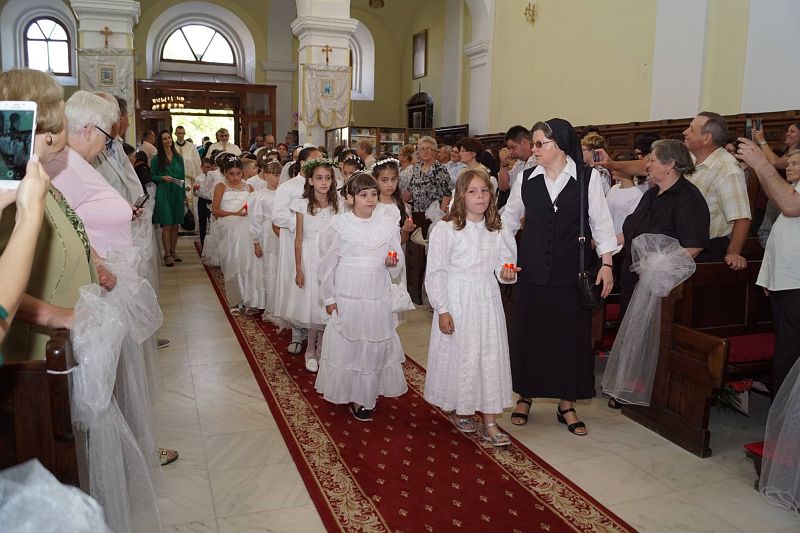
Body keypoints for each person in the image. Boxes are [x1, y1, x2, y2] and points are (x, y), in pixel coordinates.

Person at [501, 118, 616, 435]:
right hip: (532, 270)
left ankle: (567, 403)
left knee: (569, 338)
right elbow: (508, 221)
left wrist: (607, 264)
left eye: (540, 144)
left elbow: (601, 223)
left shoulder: (588, 179)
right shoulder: (526, 178)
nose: (534, 149)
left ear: (561, 145)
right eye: (534, 144)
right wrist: (507, 260)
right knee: (530, 334)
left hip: (571, 273)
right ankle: (525, 396)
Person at [424, 169, 519, 446]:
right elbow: (436, 272)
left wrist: (507, 273)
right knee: (462, 355)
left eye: (485, 191)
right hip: (457, 298)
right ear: (461, 196)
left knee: (489, 356)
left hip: (486, 298)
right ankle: (461, 407)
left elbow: (504, 266)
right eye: (473, 191)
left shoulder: (497, 229)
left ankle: (490, 421)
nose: (480, 197)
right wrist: (442, 308)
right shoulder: (447, 229)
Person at [596, 113, 750, 269]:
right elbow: (645, 166)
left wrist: (733, 252)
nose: (685, 132)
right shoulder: (690, 157)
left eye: (691, 129)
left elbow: (741, 217)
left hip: (702, 252)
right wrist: (611, 164)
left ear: (706, 138)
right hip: (670, 245)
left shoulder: (727, 169)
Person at [315, 172, 408, 421]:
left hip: (376, 293)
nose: (370, 199)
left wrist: (391, 263)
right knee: (352, 342)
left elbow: (396, 262)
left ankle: (366, 393)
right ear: (350, 198)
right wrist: (329, 298)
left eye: (374, 194)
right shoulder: (338, 225)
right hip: (349, 293)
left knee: (372, 342)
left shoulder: (387, 224)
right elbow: (326, 265)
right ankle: (352, 392)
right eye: (364, 195)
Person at [737, 137, 800, 397]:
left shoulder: (791, 195)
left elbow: (791, 207)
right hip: (786, 281)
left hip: (796, 282)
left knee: (791, 350)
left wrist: (761, 164)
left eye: (796, 163)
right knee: (786, 345)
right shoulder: (792, 188)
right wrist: (769, 276)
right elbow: (780, 236)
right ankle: (782, 409)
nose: (790, 166)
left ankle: (784, 410)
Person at [289, 158, 339, 372]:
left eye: (327, 178)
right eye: (319, 178)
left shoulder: (338, 205)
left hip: (330, 259)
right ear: (310, 181)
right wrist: (298, 268)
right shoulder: (302, 204)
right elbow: (298, 238)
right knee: (313, 305)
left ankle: (321, 349)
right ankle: (310, 349)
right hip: (310, 258)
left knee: (326, 304)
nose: (324, 182)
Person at [271, 146, 322, 352]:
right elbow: (278, 216)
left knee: (315, 284)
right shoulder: (288, 187)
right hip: (294, 239)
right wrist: (302, 222)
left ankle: (317, 331)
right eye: (313, 160)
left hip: (317, 243)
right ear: (302, 163)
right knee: (297, 284)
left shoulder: (323, 185)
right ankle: (297, 334)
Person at [211, 155, 255, 314]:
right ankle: (235, 299)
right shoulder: (221, 187)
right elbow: (215, 210)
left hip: (245, 228)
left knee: (247, 263)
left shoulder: (249, 187)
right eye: (231, 174)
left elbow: (254, 207)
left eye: (238, 174)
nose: (235, 177)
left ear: (243, 173)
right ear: (225, 173)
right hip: (228, 228)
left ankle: (249, 299)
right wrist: (234, 213)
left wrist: (248, 212)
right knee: (232, 262)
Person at [247, 160, 282, 320]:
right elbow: (255, 219)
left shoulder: (283, 193)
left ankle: (278, 302)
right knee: (267, 264)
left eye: (279, 175)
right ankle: (265, 301)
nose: (277, 178)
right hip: (266, 234)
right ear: (266, 175)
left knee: (278, 265)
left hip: (281, 232)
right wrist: (256, 242)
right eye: (274, 175)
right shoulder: (259, 195)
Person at [151, 129, 186, 266]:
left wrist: (183, 195)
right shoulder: (156, 158)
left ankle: (173, 251)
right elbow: (152, 176)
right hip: (164, 191)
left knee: (175, 223)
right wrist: (162, 177)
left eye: (169, 138)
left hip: (177, 191)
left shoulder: (178, 158)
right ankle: (166, 254)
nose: (168, 140)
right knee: (167, 223)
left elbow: (182, 177)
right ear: (160, 141)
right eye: (164, 138)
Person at [408, 136, 451, 237]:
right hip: (417, 212)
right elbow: (411, 189)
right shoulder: (417, 167)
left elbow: (447, 194)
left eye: (429, 149)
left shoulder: (440, 169)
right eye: (422, 149)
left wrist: (440, 216)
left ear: (435, 152)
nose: (425, 152)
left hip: (433, 214)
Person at [758, 150, 800, 247]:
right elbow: (764, 230)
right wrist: (772, 249)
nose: (788, 168)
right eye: (787, 165)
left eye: (794, 164)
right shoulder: (778, 195)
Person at [605, 153, 644, 246]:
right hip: (607, 240)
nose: (612, 169)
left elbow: (634, 226)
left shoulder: (637, 195)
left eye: (617, 166)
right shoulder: (613, 188)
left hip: (623, 244)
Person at [373, 157, 415, 244]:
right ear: (375, 180)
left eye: (393, 179)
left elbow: (402, 241)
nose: (390, 184)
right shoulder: (371, 205)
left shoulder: (400, 205)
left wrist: (405, 230)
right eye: (384, 180)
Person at [498, 125, 537, 209]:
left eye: (513, 147)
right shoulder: (519, 162)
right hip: (513, 207)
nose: (511, 152)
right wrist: (504, 164)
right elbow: (504, 187)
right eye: (510, 148)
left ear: (524, 142)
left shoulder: (537, 161)